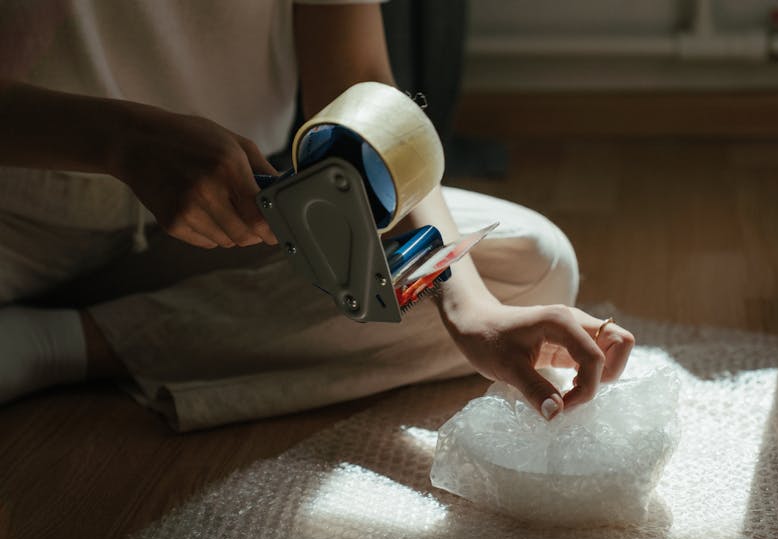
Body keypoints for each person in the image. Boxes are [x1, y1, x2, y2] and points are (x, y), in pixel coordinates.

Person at [0, 0, 634, 431]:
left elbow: (361, 91)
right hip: (16, 216)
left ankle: (58, 342)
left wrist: (472, 307)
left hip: (225, 219)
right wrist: (120, 142)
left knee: (532, 264)